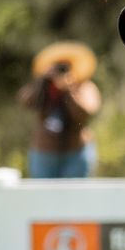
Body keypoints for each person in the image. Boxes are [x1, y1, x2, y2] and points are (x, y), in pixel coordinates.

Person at [20, 41, 102, 178]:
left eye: (65, 68)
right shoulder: (44, 87)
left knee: (75, 197)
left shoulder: (84, 87)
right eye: (57, 67)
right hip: (44, 153)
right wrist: (42, 81)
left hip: (76, 152)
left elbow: (87, 112)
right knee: (44, 197)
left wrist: (69, 91)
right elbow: (25, 100)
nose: (61, 71)